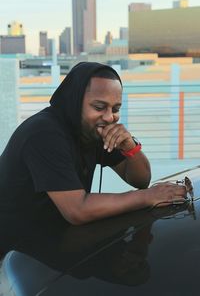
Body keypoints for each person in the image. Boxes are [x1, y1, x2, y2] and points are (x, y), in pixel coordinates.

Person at [0, 62, 187, 247]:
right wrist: (147, 197)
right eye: (99, 107)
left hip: (48, 241)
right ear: (73, 102)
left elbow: (140, 179)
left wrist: (130, 146)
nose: (108, 117)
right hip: (11, 257)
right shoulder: (44, 134)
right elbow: (77, 210)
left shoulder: (92, 129)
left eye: (115, 109)